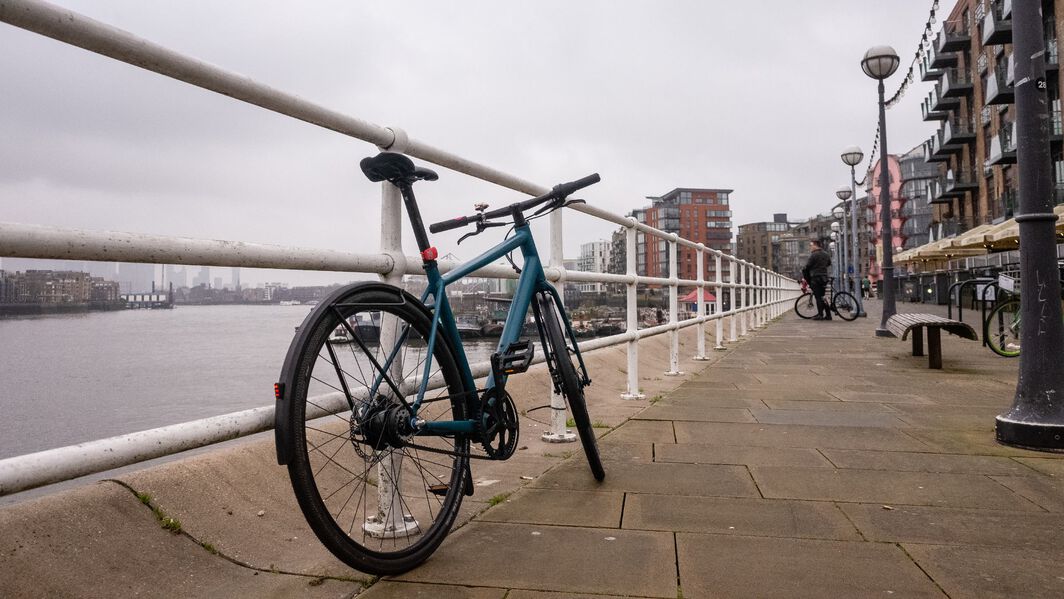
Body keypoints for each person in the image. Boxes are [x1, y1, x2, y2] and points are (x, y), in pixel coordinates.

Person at [802, 238, 832, 320]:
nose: (810, 247)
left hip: (815, 278)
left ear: (815, 245)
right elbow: (829, 263)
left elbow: (807, 266)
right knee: (823, 296)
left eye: (811, 245)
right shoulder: (826, 254)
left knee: (818, 297)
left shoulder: (814, 255)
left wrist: (806, 273)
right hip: (824, 277)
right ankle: (828, 315)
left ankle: (820, 315)